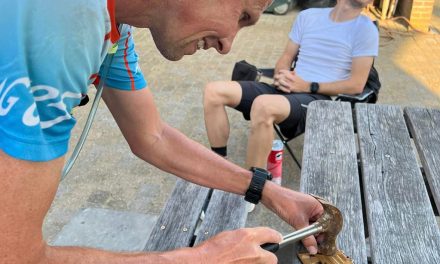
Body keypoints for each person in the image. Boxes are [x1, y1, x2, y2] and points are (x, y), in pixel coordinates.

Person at [0, 0, 325, 263]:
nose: (228, 45)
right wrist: (202, 257)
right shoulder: (64, 20)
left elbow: (151, 135)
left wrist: (269, 192)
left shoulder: (114, 25)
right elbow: (14, 255)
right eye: (241, 15)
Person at [203, 0, 378, 173]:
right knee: (214, 91)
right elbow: (286, 58)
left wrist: (310, 86)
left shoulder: (366, 30)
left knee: (264, 105)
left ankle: (251, 186)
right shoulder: (308, 16)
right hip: (287, 89)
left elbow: (356, 84)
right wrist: (281, 75)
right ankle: (219, 165)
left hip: (321, 100)